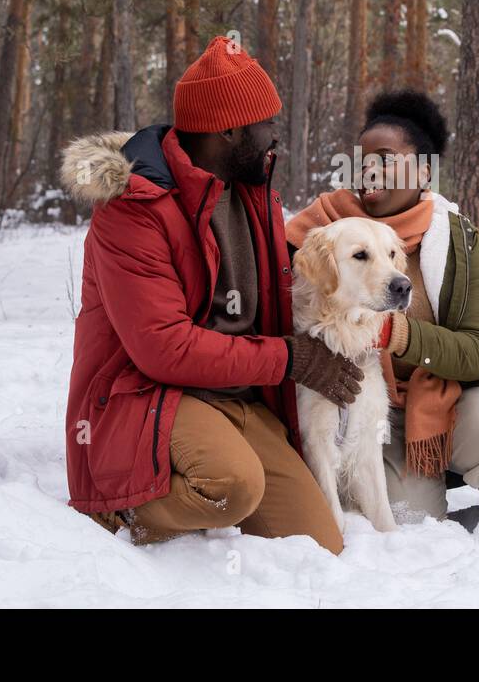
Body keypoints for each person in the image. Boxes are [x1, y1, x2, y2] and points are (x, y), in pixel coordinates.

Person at [60, 36, 360, 553]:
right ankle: (119, 509)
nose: (274, 137)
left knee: (320, 541)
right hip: (147, 394)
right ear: (227, 130)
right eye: (266, 123)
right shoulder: (135, 208)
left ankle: (202, 485)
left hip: (235, 392)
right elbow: (165, 350)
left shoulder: (253, 189)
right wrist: (291, 360)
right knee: (231, 486)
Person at [285, 90, 479, 528]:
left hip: (444, 397)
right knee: (408, 518)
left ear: (423, 170)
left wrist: (397, 336)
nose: (369, 170)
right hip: (357, 409)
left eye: (385, 158)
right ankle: (417, 481)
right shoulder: (320, 230)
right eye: (362, 159)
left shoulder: (459, 241)